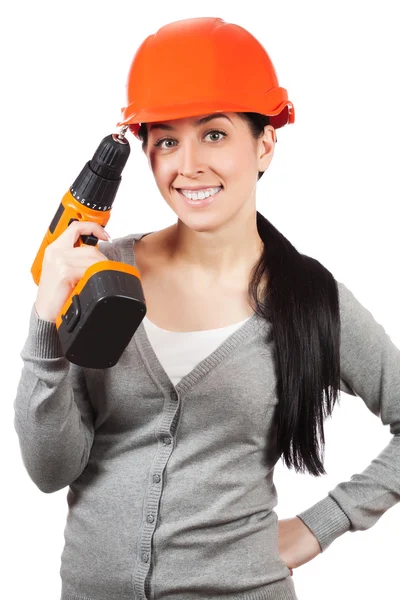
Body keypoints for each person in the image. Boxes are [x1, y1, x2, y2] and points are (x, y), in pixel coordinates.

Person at [13, 16, 400, 600]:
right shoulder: (98, 274)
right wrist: (46, 324)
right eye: (166, 139)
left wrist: (322, 525)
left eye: (214, 134)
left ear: (265, 141)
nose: (187, 164)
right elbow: (49, 471)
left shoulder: (310, 299)